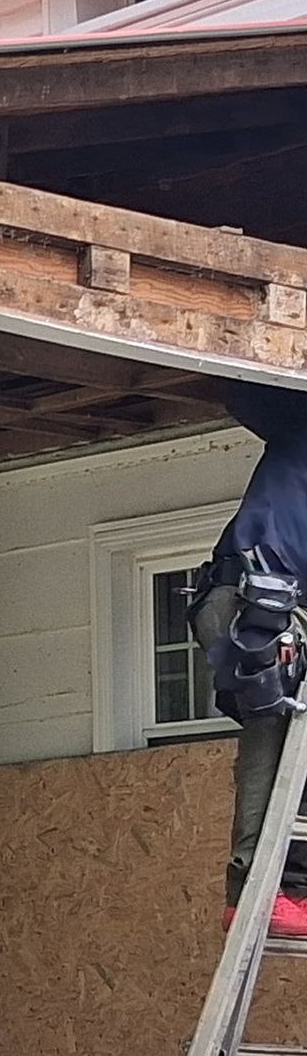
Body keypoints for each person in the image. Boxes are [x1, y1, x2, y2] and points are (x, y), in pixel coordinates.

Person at [190, 382, 307, 937]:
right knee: (276, 728)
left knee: (292, 737)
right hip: (253, 603)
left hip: (264, 603)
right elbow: (243, 386)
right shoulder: (302, 431)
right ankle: (255, 889)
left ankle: (287, 890)